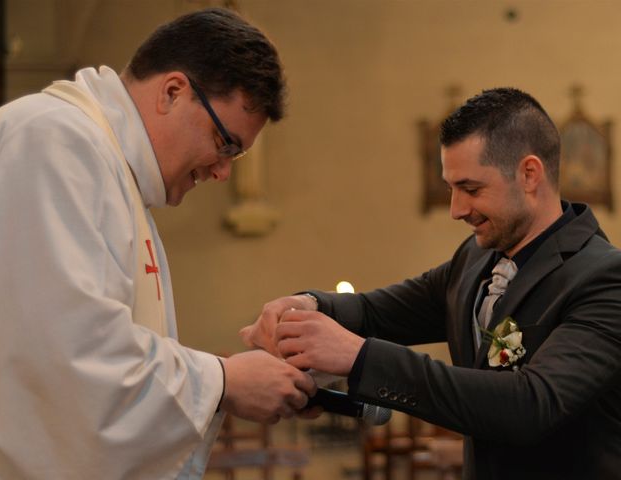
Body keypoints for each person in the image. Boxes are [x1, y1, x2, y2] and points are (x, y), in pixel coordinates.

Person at [0, 8, 316, 480]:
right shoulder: (54, 140)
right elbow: (64, 358)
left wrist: (226, 379)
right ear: (173, 92)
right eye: (225, 144)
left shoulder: (109, 167)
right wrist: (224, 381)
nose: (222, 172)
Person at [241, 88, 621, 479]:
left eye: (471, 189)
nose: (456, 209)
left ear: (529, 174)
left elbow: (531, 404)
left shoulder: (605, 278)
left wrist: (359, 357)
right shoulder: (472, 261)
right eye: (450, 188)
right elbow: (374, 311)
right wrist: (307, 307)